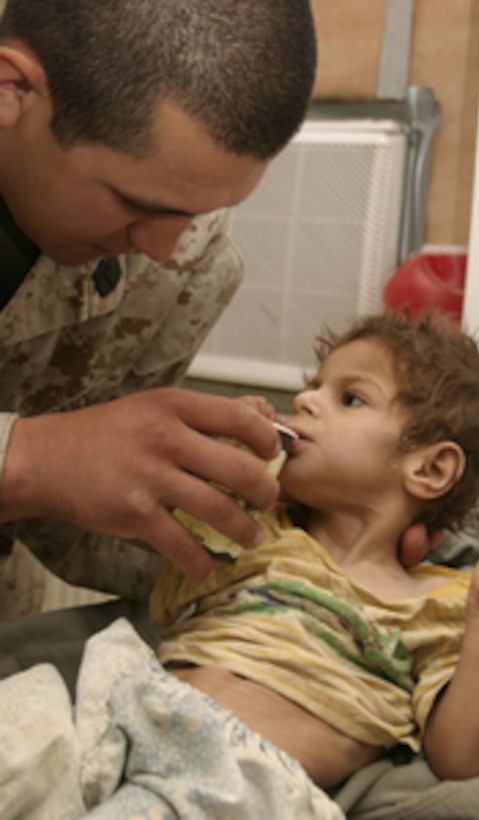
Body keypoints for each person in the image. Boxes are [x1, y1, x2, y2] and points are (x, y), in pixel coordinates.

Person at [0, 0, 318, 604]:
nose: (166, 249)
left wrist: (272, 547)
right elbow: (49, 473)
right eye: (137, 205)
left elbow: (74, 525)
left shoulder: (194, 260)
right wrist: (30, 458)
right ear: (13, 89)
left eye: (195, 214)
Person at [149, 311, 479, 798]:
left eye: (350, 397)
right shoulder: (255, 531)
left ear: (431, 467)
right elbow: (162, 526)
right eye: (314, 385)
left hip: (238, 787)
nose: (303, 400)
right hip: (134, 710)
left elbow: (459, 758)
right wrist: (234, 455)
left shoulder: (439, 604)